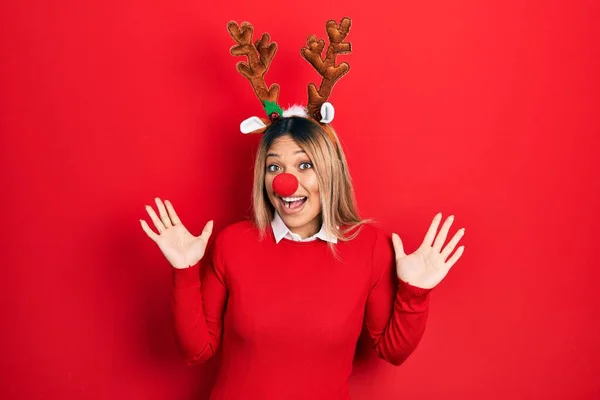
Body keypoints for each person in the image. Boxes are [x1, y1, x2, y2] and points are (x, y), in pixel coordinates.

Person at [140, 18, 465, 399]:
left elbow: (391, 352)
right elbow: (197, 351)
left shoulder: (370, 247)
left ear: (330, 171)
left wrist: (414, 293)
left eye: (304, 165)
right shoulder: (234, 243)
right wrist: (185, 271)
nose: (285, 181)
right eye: (274, 166)